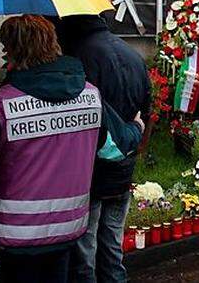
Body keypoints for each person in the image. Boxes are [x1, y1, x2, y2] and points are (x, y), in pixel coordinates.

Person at [0, 16, 144, 283]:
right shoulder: (89, 96)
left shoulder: (0, 103)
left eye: (6, 47)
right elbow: (114, 149)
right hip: (66, 228)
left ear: (13, 51)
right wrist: (136, 128)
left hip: (13, 232)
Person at [53, 15, 150, 283]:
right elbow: (147, 112)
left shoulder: (76, 60)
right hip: (123, 167)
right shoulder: (133, 55)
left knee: (85, 255)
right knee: (112, 248)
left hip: (88, 173)